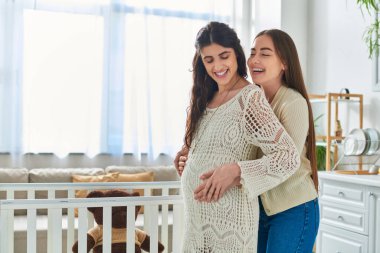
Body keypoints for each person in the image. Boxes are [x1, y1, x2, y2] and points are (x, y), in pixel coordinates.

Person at [175, 28, 320, 253]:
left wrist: (236, 172)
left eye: (265, 53)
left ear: (284, 63)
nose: (256, 60)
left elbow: (285, 160)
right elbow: (235, 144)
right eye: (253, 53)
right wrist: (193, 155)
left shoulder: (290, 103)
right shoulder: (249, 97)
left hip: (291, 207)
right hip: (262, 206)